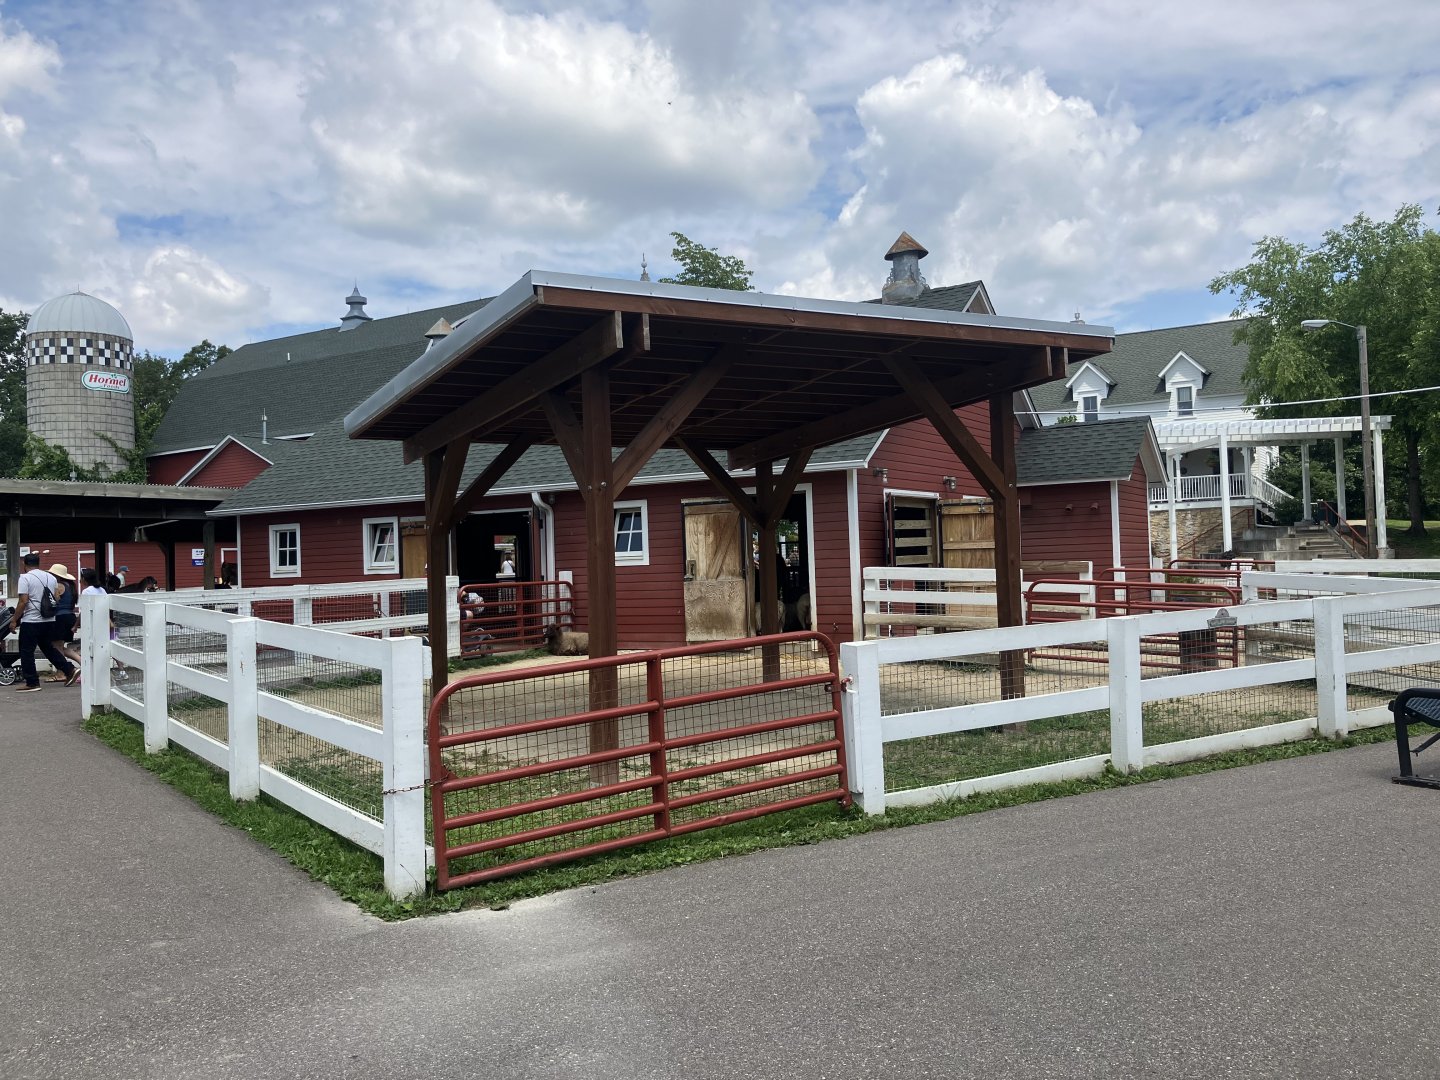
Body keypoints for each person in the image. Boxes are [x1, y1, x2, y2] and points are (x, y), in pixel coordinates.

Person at [7, 552, 77, 692]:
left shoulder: (25, 578)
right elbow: (56, 598)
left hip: (32, 620)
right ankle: (69, 670)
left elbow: (23, 601)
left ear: (24, 564)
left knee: (26, 651)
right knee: (48, 648)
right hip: (49, 619)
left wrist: (14, 620)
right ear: (38, 563)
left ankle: (32, 682)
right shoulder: (51, 577)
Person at [47, 564, 82, 680]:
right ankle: (80, 661)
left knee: (56, 646)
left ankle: (61, 673)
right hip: (69, 616)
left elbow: (52, 599)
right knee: (59, 646)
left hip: (59, 618)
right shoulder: (70, 586)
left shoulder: (58, 585)